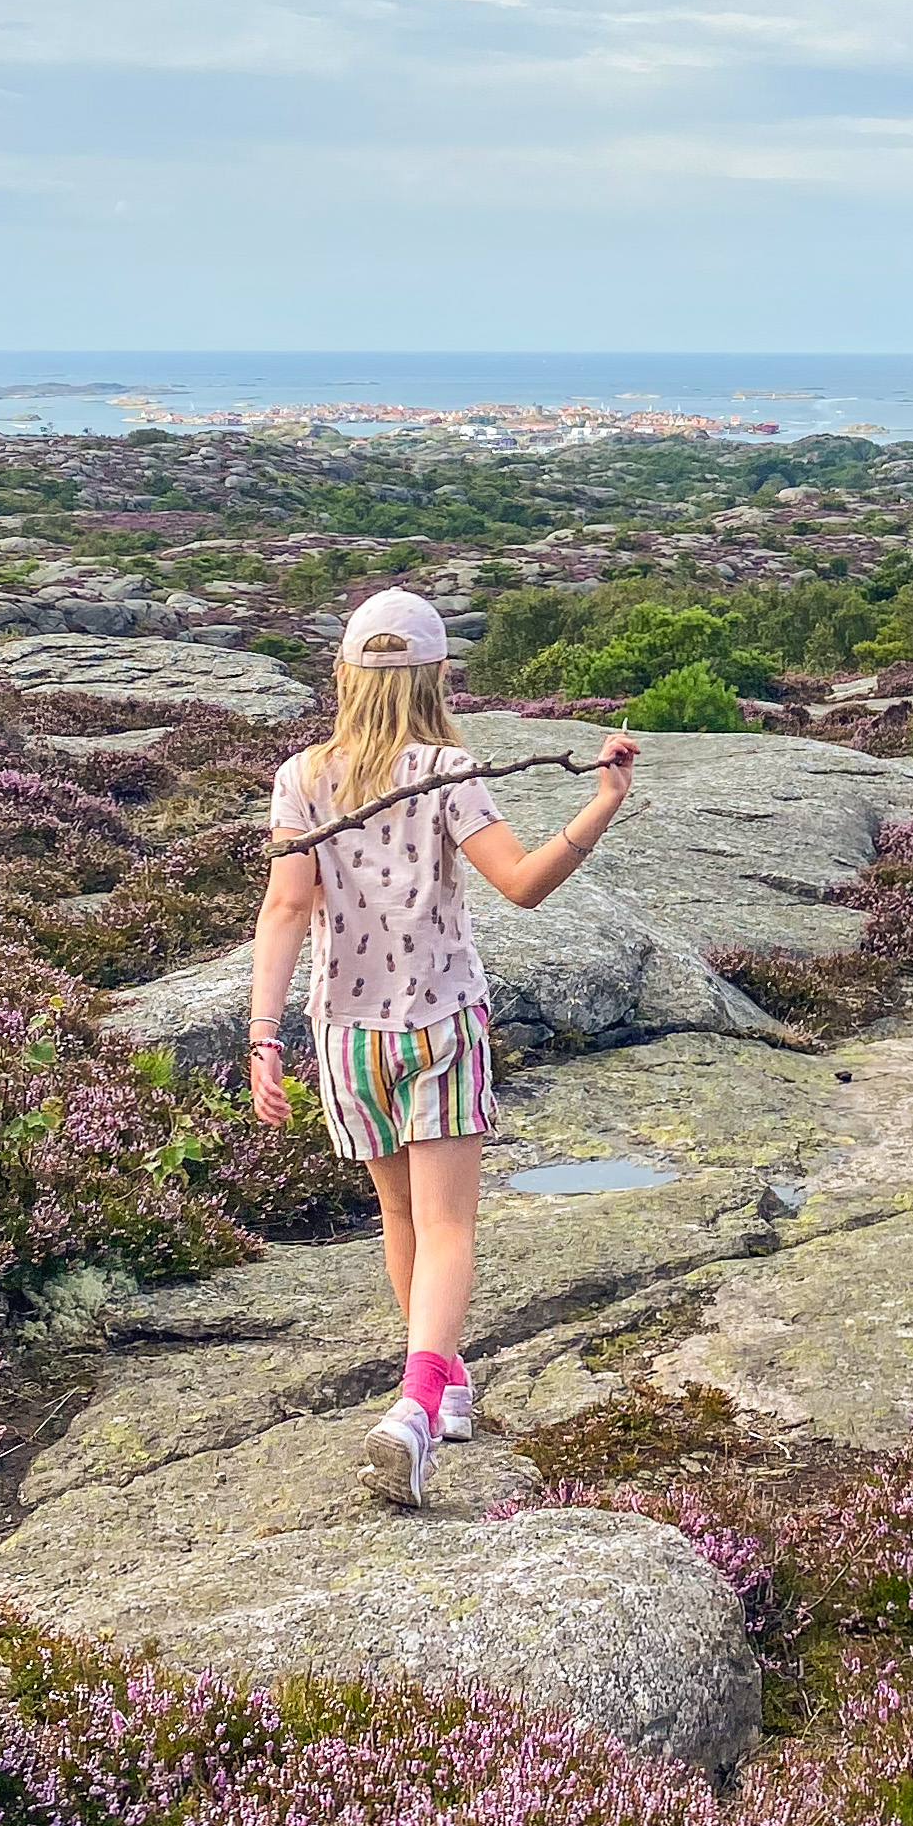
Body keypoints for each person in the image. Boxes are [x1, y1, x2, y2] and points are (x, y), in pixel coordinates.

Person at [247, 587, 637, 1506]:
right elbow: (524, 883)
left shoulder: (301, 777)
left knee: (403, 1221)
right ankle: (416, 1406)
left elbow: (286, 908)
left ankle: (448, 1386)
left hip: (345, 1034)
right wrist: (602, 804)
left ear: (344, 674)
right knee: (451, 1224)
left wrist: (263, 1036)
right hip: (440, 1023)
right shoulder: (446, 768)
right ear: (434, 677)